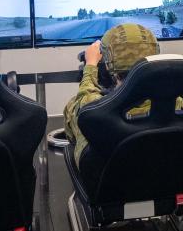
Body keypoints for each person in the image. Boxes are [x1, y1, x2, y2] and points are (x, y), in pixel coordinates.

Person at [64, 23, 160, 167]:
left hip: (107, 186)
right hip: (163, 183)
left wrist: (90, 65)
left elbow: (85, 99)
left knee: (73, 108)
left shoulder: (94, 110)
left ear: (109, 64)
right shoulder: (177, 103)